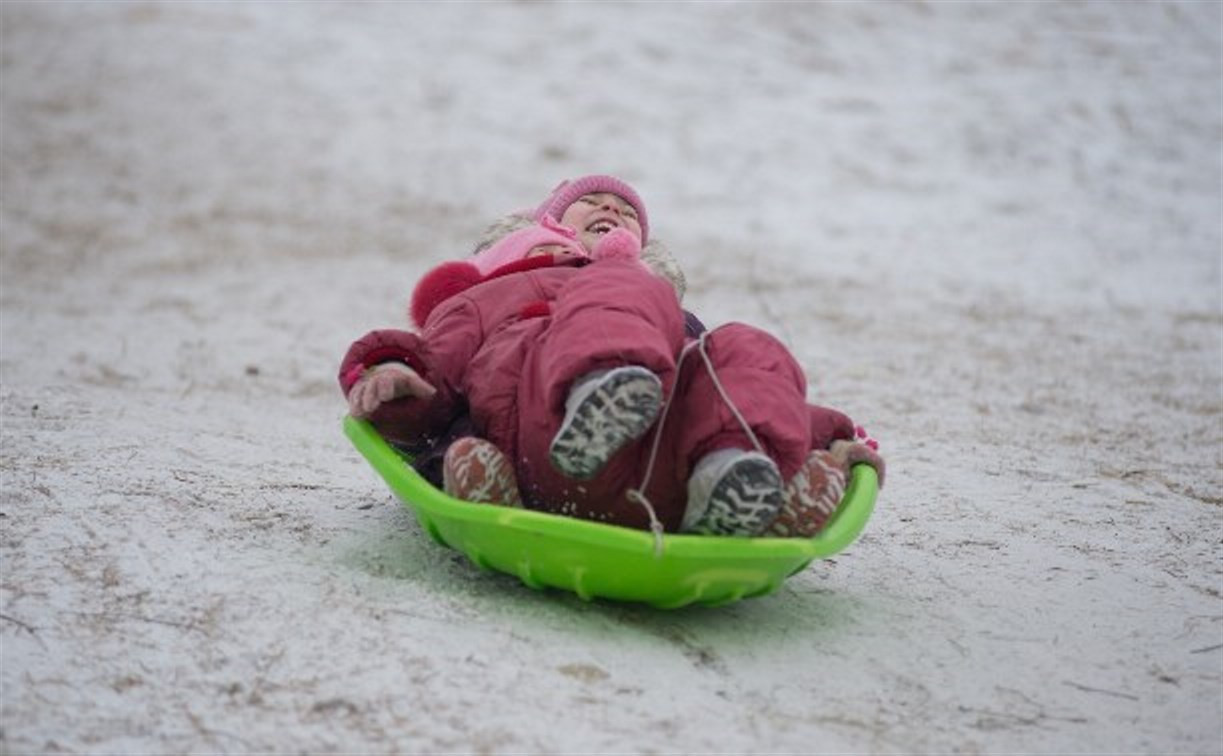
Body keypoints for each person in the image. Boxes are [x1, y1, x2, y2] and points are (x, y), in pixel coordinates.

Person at [339, 175, 884, 539]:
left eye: (626, 211)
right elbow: (435, 369)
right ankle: (596, 390)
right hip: (545, 443)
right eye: (592, 202)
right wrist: (394, 376)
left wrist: (829, 437)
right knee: (615, 284)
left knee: (741, 346)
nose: (612, 209)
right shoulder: (493, 296)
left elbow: (723, 389)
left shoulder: (662, 308)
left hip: (666, 470)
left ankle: (739, 476)